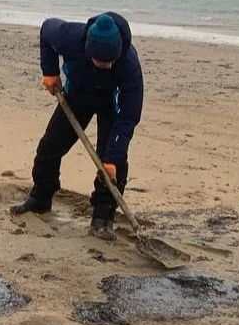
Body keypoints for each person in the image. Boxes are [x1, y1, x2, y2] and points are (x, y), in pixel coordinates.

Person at [11, 12, 144, 241]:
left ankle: (103, 218)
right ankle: (41, 198)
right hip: (77, 97)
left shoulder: (129, 64)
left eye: (110, 62)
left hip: (111, 106)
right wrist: (50, 71)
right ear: (88, 50)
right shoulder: (70, 37)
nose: (106, 66)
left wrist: (113, 156)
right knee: (48, 149)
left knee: (113, 164)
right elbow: (45, 30)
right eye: (100, 62)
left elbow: (129, 116)